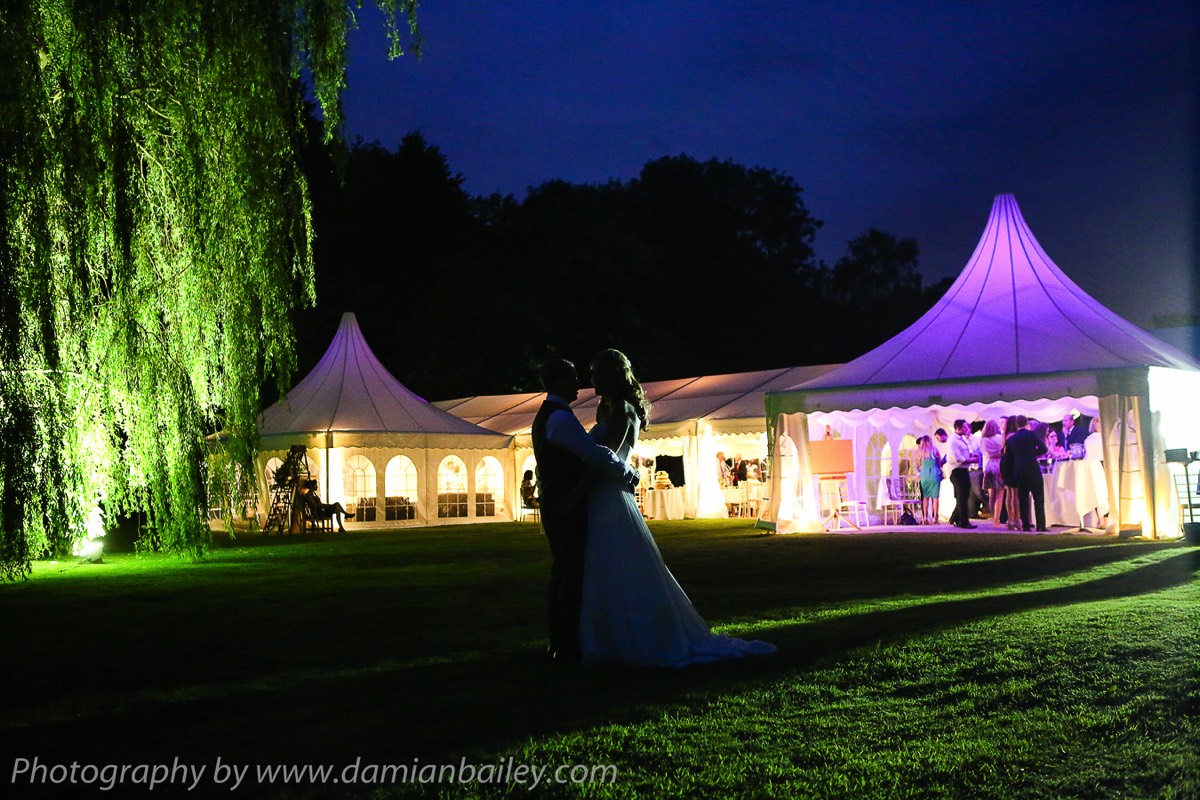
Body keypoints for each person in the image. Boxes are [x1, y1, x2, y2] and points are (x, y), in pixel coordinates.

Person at [579, 349, 775, 667]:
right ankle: (610, 636)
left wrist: (579, 483)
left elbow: (609, 459)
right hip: (604, 493)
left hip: (609, 493)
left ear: (614, 375)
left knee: (621, 564)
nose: (593, 380)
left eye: (599, 374)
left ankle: (636, 636)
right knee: (607, 564)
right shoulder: (612, 409)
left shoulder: (623, 410)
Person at [532, 358, 639, 664]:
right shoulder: (560, 418)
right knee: (572, 572)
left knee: (567, 571)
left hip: (569, 500)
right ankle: (565, 643)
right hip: (567, 502)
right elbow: (594, 454)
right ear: (560, 382)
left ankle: (564, 640)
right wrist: (630, 474)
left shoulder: (555, 415)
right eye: (575, 377)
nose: (581, 383)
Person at [1004, 414, 1049, 531]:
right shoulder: (1031, 434)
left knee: (1022, 499)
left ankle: (1026, 526)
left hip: (1019, 470)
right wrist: (1032, 453)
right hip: (1033, 468)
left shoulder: (1011, 439)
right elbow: (1044, 449)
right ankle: (1041, 525)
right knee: (1038, 498)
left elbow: (1008, 457)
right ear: (1026, 423)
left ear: (1016, 424)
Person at [946, 419, 979, 529]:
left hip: (963, 469)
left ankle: (956, 518)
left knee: (964, 495)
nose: (967, 429)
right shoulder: (953, 441)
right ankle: (963, 521)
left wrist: (971, 456)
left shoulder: (962, 439)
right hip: (956, 470)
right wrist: (970, 460)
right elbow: (955, 458)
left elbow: (964, 453)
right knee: (962, 495)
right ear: (958, 428)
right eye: (965, 427)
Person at [979, 419, 1006, 526]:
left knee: (991, 495)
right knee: (1000, 493)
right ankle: (997, 519)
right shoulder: (1000, 438)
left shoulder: (983, 440)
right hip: (999, 465)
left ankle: (992, 516)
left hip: (989, 464)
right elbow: (1004, 450)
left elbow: (983, 452)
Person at [916, 435, 942, 524]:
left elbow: (919, 464)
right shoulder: (935, 450)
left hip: (925, 475)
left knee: (925, 498)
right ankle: (935, 518)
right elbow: (939, 463)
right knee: (935, 498)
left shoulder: (920, 452)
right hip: (935, 474)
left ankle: (925, 518)